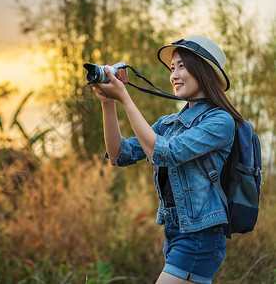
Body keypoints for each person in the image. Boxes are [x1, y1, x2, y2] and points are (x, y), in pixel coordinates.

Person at [91, 35, 244, 284]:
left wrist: (126, 99)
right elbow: (120, 155)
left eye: (182, 66)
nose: (174, 75)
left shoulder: (220, 121)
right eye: (172, 68)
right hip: (174, 232)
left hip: (200, 236)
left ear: (204, 72)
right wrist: (108, 104)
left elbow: (164, 153)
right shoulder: (168, 123)